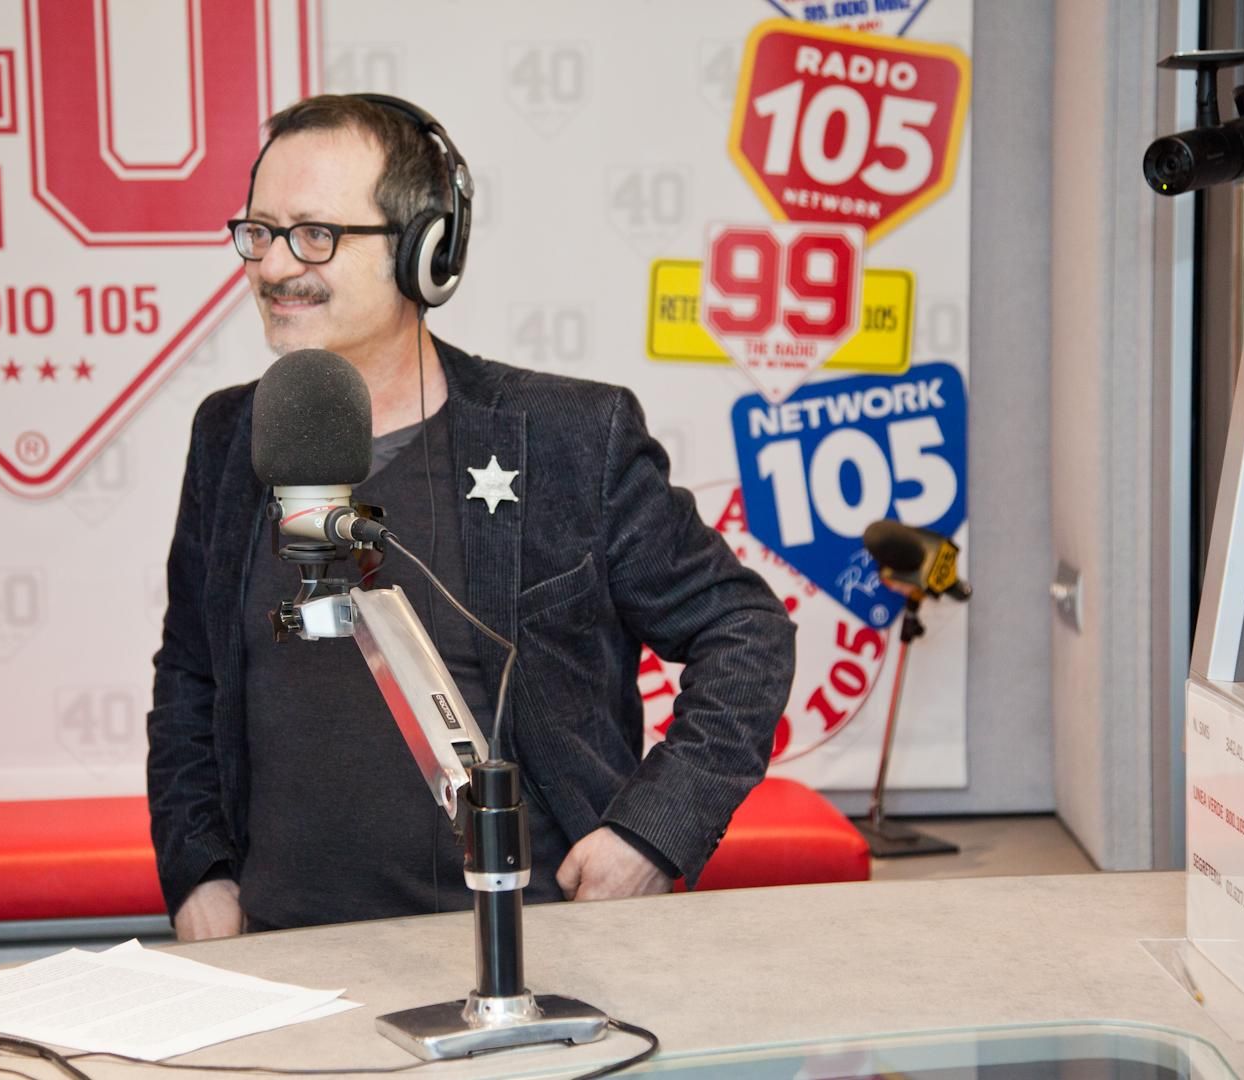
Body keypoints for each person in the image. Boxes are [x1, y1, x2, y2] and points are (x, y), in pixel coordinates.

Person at [148, 94, 795, 940]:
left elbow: (746, 633)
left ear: (427, 250)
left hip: (533, 954)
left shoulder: (567, 436)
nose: (273, 266)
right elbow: (190, 675)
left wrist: (652, 832)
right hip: (284, 956)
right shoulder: (230, 436)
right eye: (260, 232)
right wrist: (198, 871)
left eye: (314, 235)